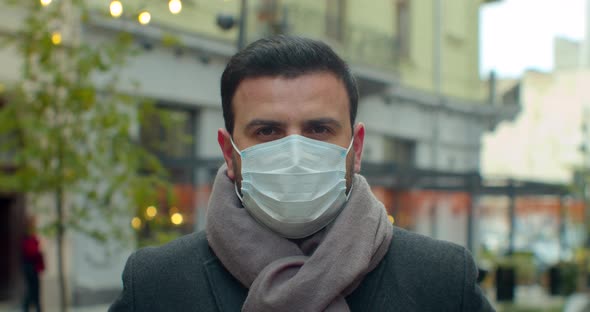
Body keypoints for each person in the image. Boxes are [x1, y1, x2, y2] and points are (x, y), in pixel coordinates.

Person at [109, 35, 494, 311]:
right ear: (229, 152)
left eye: (318, 130)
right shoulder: (157, 285)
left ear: (355, 148)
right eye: (268, 131)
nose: (295, 153)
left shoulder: (440, 281)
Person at [22, 216, 44, 312]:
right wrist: (39, 251)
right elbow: (31, 251)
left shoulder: (31, 235)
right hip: (30, 267)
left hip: (33, 267)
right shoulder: (28, 236)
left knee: (34, 290)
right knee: (33, 290)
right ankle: (28, 307)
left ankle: (36, 308)